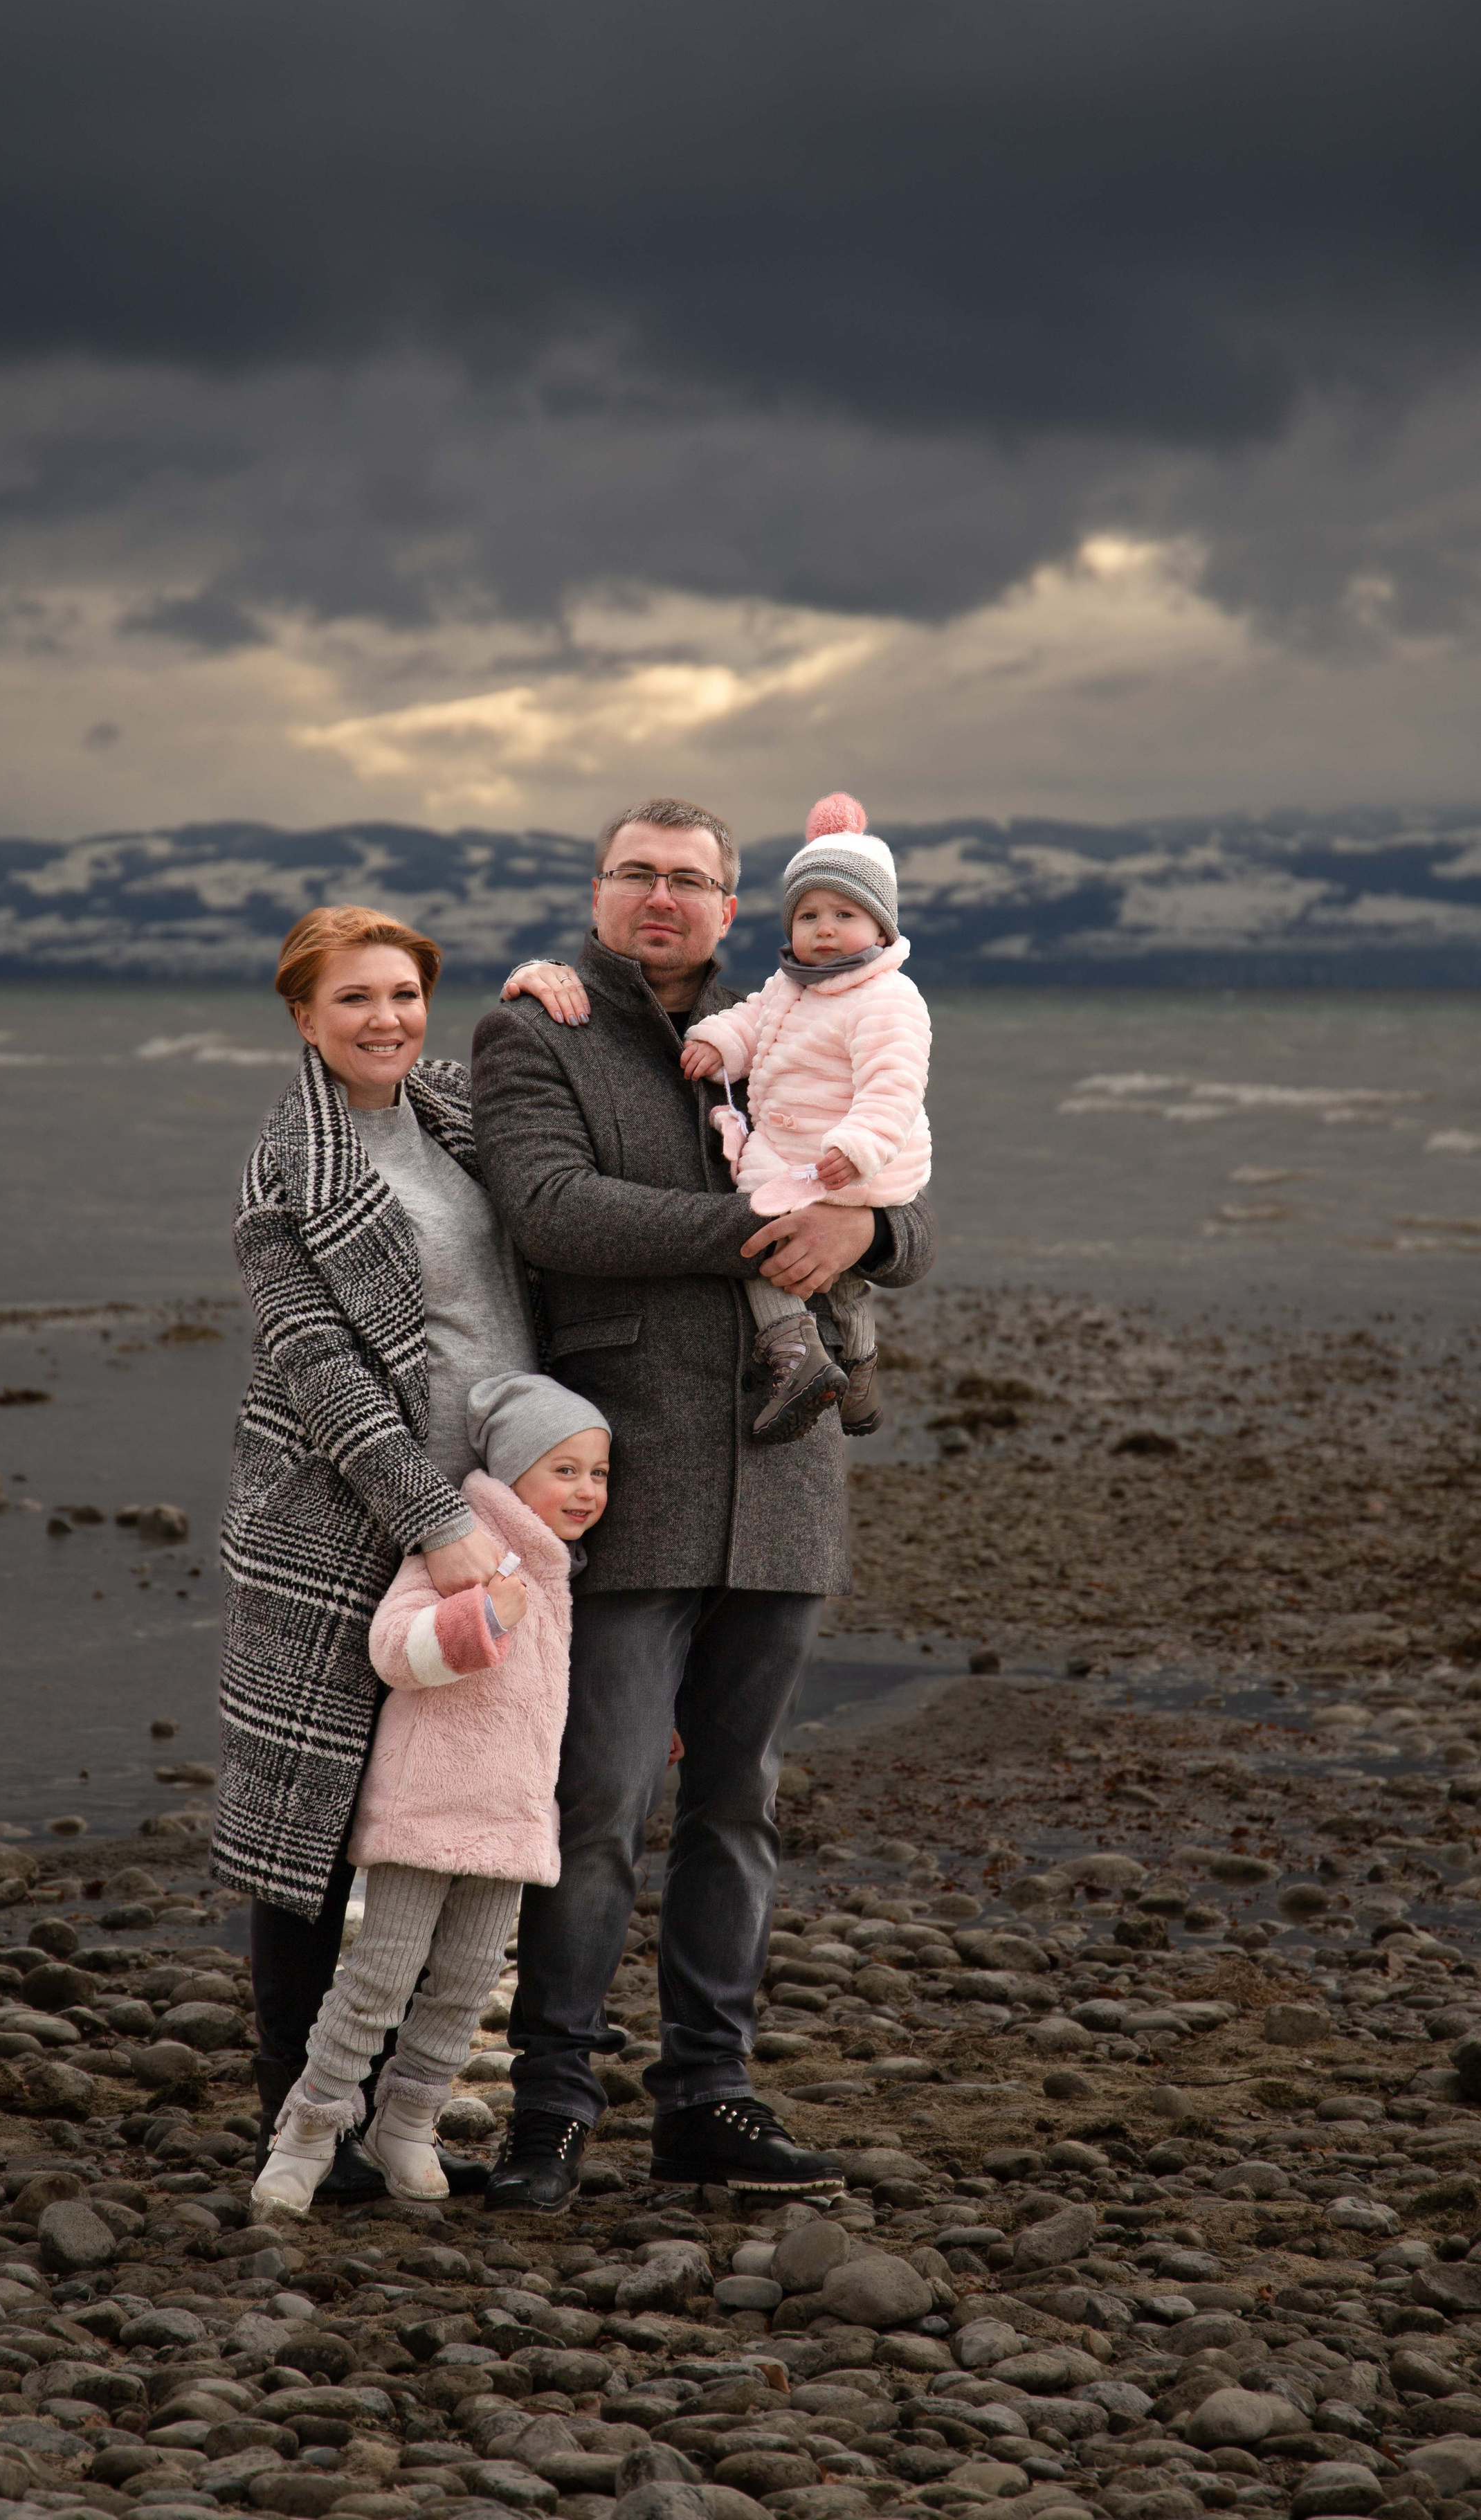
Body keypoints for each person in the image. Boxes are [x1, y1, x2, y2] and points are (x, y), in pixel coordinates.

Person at [472, 795, 934, 2209]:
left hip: (785, 1477)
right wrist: (767, 1227)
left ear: (731, 906)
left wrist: (868, 1223)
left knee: (736, 1807)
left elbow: (898, 1166)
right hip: (614, 1477)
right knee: (598, 1800)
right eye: (635, 876)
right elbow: (552, 1209)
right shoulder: (531, 1031)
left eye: (690, 880)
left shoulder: (805, 1005)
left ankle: (704, 2097)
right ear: (597, 892)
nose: (661, 898)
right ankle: (547, 2107)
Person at [211, 904, 580, 2201]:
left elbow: (557, 1120)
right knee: (304, 1822)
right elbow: (320, 1371)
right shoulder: (286, 1172)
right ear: (304, 1018)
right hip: (336, 1520)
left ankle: (401, 2109)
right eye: (356, 1000)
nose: (386, 1020)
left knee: (453, 1802)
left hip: (491, 1503)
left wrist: (542, 991)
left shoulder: (453, 1111)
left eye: (406, 996)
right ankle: (301, 2118)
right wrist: (438, 1524)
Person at [250, 1373, 610, 2221]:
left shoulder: (556, 1571)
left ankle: (405, 2124)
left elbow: (552, 1690)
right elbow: (392, 1651)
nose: (587, 1491)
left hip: (513, 1819)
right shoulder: (462, 1549)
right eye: (565, 1471)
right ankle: (306, 2134)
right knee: (379, 1976)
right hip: (428, 1812)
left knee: (467, 1983)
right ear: (513, 1470)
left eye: (598, 1474)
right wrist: (484, 1615)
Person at [682, 792, 932, 1444]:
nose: (824, 928)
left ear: (881, 929)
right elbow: (753, 1021)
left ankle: (811, 1357)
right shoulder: (790, 984)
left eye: (845, 914)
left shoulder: (888, 996)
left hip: (850, 1157)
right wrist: (718, 1042)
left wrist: (860, 1145)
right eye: (809, 914)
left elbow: (895, 1085)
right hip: (799, 1153)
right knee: (829, 1274)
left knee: (777, 1249)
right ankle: (845, 1369)